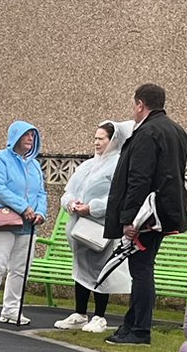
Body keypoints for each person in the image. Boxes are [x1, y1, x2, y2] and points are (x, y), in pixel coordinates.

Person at [103, 82, 187, 345]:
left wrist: (128, 219)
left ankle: (140, 329)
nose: (133, 110)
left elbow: (138, 178)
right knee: (143, 267)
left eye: (134, 105)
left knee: (141, 270)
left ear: (141, 104)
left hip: (146, 216)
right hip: (164, 212)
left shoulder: (146, 133)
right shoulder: (177, 132)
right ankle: (131, 324)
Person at [52, 120, 132, 331]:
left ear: (112, 140)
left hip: (101, 228)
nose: (97, 143)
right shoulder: (88, 165)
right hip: (80, 227)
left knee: (101, 269)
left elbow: (116, 198)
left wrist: (92, 208)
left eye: (101, 138)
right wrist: (71, 203)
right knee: (81, 267)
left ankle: (99, 315)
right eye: (95, 138)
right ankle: (80, 312)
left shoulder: (118, 165)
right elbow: (69, 191)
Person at [0, 121, 48, 325]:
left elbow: (41, 192)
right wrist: (23, 207)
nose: (30, 139)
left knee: (20, 269)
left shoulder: (34, 164)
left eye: (33, 136)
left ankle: (11, 310)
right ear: (15, 136)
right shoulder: (0, 159)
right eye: (26, 135)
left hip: (28, 225)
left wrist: (41, 212)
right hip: (2, 221)